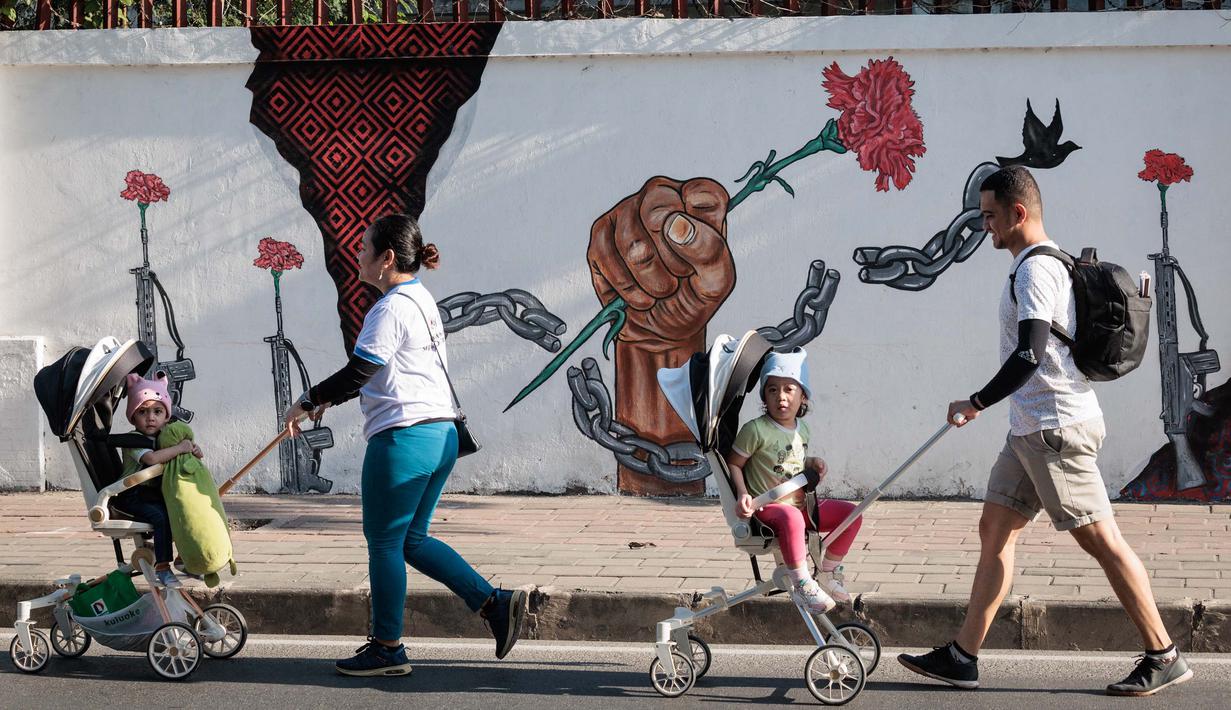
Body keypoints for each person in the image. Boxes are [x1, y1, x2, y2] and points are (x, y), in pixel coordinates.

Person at [897, 166, 1192, 696]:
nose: (985, 226)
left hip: (1056, 430)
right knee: (995, 529)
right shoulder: (1043, 263)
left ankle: (1163, 654)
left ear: (1018, 213)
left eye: (990, 216)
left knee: (1102, 541)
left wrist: (977, 402)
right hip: (1030, 431)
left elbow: (1029, 353)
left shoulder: (1036, 270)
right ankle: (963, 656)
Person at [284, 213, 527, 678]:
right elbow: (382, 371)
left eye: (364, 248)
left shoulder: (390, 307)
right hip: (440, 435)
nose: (357, 255)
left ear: (387, 258)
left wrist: (308, 400)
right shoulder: (420, 299)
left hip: (404, 439)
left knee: (384, 543)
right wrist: (328, 401)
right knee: (411, 539)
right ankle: (494, 604)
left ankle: (387, 647)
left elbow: (362, 369)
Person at [726, 349, 863, 612]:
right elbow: (734, 463)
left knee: (852, 514)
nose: (781, 396)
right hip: (769, 507)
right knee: (792, 518)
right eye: (772, 390)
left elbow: (793, 460)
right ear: (764, 397)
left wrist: (811, 462)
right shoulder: (755, 430)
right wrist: (743, 494)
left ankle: (827, 573)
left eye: (789, 389)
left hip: (801, 504)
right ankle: (802, 584)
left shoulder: (803, 430)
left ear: (803, 397)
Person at [115, 372, 202, 589]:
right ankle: (162, 567)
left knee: (181, 510)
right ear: (133, 417)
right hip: (131, 494)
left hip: (153, 492)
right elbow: (152, 459)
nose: (150, 418)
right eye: (142, 412)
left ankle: (183, 558)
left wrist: (193, 450)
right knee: (161, 517)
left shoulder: (164, 438)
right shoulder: (134, 441)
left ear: (166, 416)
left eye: (157, 411)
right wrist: (179, 448)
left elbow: (187, 455)